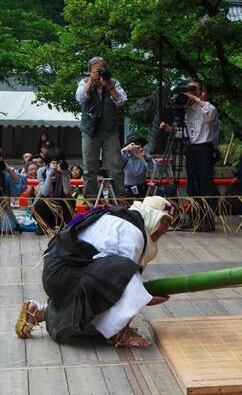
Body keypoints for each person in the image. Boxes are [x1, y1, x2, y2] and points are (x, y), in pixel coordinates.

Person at [16, 196, 176, 348]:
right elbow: (122, 276)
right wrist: (144, 298)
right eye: (165, 222)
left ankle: (38, 311)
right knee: (110, 312)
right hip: (65, 274)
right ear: (153, 217)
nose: (165, 230)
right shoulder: (130, 230)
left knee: (96, 323)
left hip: (64, 274)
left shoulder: (122, 219)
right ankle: (120, 334)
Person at [161, 79, 218, 232]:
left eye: (195, 89)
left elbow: (211, 113)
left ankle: (207, 220)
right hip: (191, 149)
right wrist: (169, 129)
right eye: (189, 89)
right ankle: (194, 218)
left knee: (205, 185)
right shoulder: (187, 109)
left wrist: (195, 98)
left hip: (204, 149)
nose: (190, 92)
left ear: (201, 92)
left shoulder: (205, 107)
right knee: (192, 185)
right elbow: (184, 133)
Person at [76, 56, 128, 198]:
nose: (100, 73)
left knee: (116, 167)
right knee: (89, 169)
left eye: (102, 70)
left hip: (110, 131)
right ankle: (90, 200)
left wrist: (109, 85)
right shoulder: (84, 82)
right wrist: (91, 80)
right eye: (96, 71)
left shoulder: (113, 83)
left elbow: (122, 100)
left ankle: (119, 199)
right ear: (89, 71)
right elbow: (80, 98)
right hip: (90, 131)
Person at [32, 149, 74, 234]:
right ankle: (43, 227)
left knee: (70, 199)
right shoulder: (42, 171)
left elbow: (67, 192)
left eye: (59, 161)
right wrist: (50, 173)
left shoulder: (65, 171)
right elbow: (44, 192)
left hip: (60, 205)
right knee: (41, 201)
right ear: (49, 161)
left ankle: (64, 226)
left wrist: (64, 174)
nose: (57, 164)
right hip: (46, 204)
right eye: (54, 162)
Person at [0, 148, 26, 232]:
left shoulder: (5, 172)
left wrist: (10, 170)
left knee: (7, 228)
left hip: (3, 206)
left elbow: (19, 187)